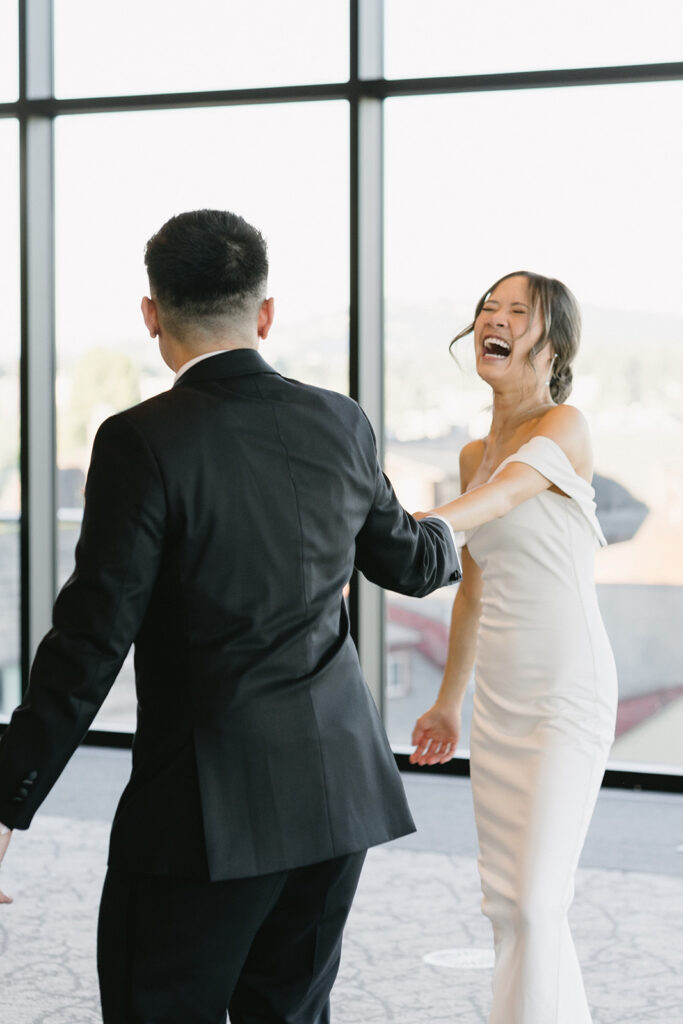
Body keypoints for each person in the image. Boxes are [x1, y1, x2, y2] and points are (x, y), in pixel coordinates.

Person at [0, 209, 460, 1024]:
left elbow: (91, 640)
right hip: (335, 798)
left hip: (205, 814)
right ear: (265, 312)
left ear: (151, 315)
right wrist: (466, 519)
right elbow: (412, 563)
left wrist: (8, 793)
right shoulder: (341, 421)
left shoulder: (140, 441)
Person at [410, 271, 617, 1024]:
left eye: (516, 312)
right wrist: (445, 702)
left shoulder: (563, 428)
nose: (494, 320)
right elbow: (472, 587)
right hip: (499, 698)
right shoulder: (471, 453)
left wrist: (420, 523)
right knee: (510, 905)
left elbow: (502, 497)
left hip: (566, 689)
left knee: (535, 900)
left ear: (550, 342)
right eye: (486, 309)